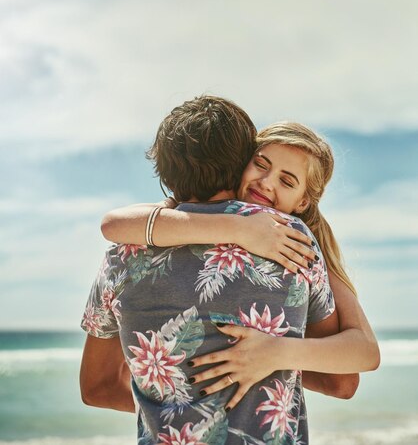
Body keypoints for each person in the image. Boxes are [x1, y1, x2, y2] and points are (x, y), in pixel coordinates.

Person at [80, 96, 379, 444]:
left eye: (287, 180)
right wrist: (239, 229)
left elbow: (97, 389)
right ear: (241, 163)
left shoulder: (125, 253)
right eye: (261, 164)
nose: (267, 183)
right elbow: (342, 383)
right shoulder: (294, 240)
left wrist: (185, 411)